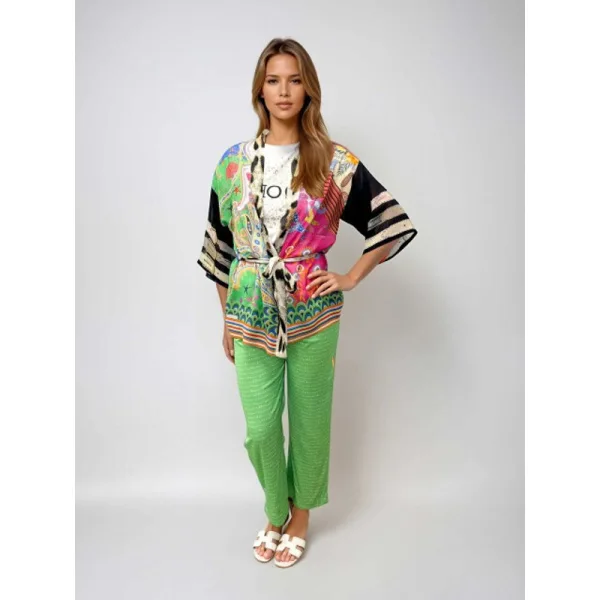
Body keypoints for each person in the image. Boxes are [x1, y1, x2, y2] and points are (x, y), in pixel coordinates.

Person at [197, 37, 418, 568]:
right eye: (273, 80)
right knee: (260, 428)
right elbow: (220, 248)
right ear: (260, 90)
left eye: (294, 80)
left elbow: (389, 222)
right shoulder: (232, 164)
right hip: (250, 311)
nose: (284, 91)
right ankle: (275, 508)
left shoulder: (332, 162)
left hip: (313, 312)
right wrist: (227, 318)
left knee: (311, 419)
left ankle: (299, 515)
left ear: (308, 89)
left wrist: (350, 277)